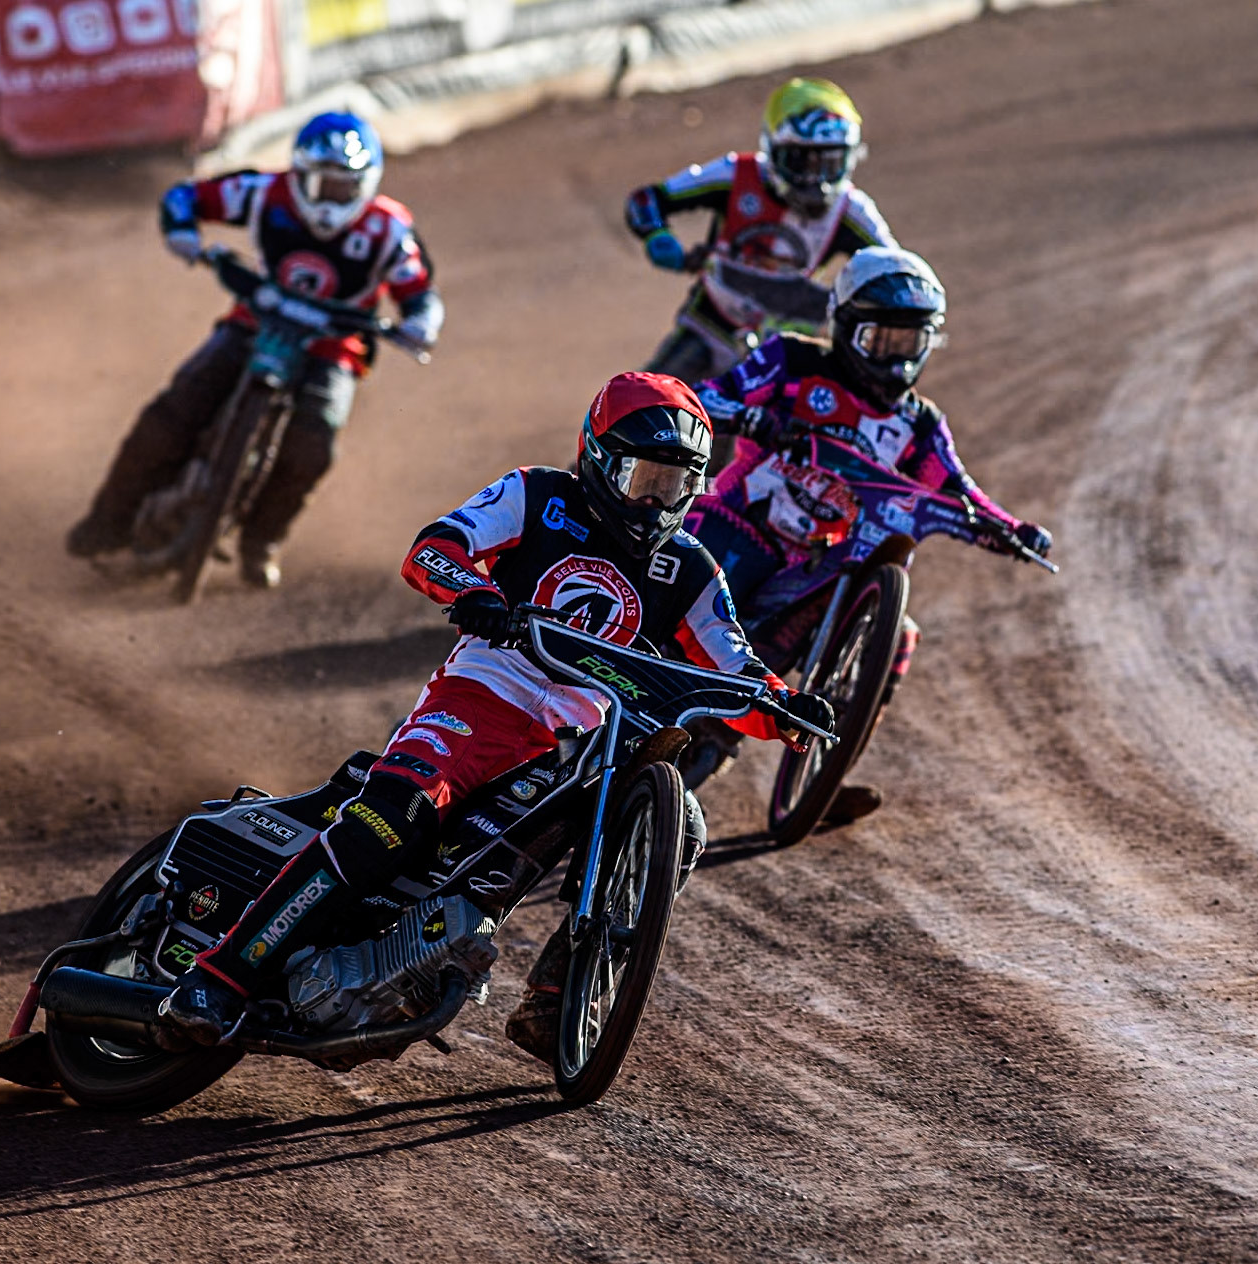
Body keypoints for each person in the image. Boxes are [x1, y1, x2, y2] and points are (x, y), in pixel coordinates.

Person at [156, 371, 834, 1063]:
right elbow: (433, 549)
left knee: (674, 824)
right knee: (394, 816)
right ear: (597, 457)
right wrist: (472, 591)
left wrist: (784, 711)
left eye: (674, 482)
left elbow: (736, 666)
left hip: (573, 742)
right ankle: (218, 977)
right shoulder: (537, 494)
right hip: (483, 696)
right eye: (642, 477)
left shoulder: (689, 568)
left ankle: (554, 1001)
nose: (656, 498)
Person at [680, 247, 1052, 808]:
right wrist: (749, 415)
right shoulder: (790, 360)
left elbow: (955, 488)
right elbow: (703, 398)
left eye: (911, 343)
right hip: (738, 519)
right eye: (882, 341)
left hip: (822, 563)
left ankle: (825, 776)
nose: (896, 360)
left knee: (898, 635)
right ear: (845, 327)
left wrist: (1012, 528)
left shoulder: (917, 423)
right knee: (680, 582)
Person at [65, 111, 445, 588]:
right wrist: (182, 232)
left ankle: (262, 539)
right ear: (299, 174)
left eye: (344, 188)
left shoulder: (388, 230)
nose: (331, 200)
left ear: (366, 185)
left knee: (314, 447)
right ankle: (108, 519)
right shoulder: (264, 192)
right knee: (172, 411)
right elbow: (184, 196)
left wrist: (420, 323)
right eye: (323, 185)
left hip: (334, 345)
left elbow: (420, 293)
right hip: (255, 320)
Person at [626, 77, 897, 387]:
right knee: (650, 399)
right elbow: (645, 200)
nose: (815, 179)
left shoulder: (852, 211)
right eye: (802, 161)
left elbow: (897, 272)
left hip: (783, 346)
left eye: (829, 163)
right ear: (774, 150)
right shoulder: (735, 175)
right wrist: (658, 237)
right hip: (711, 323)